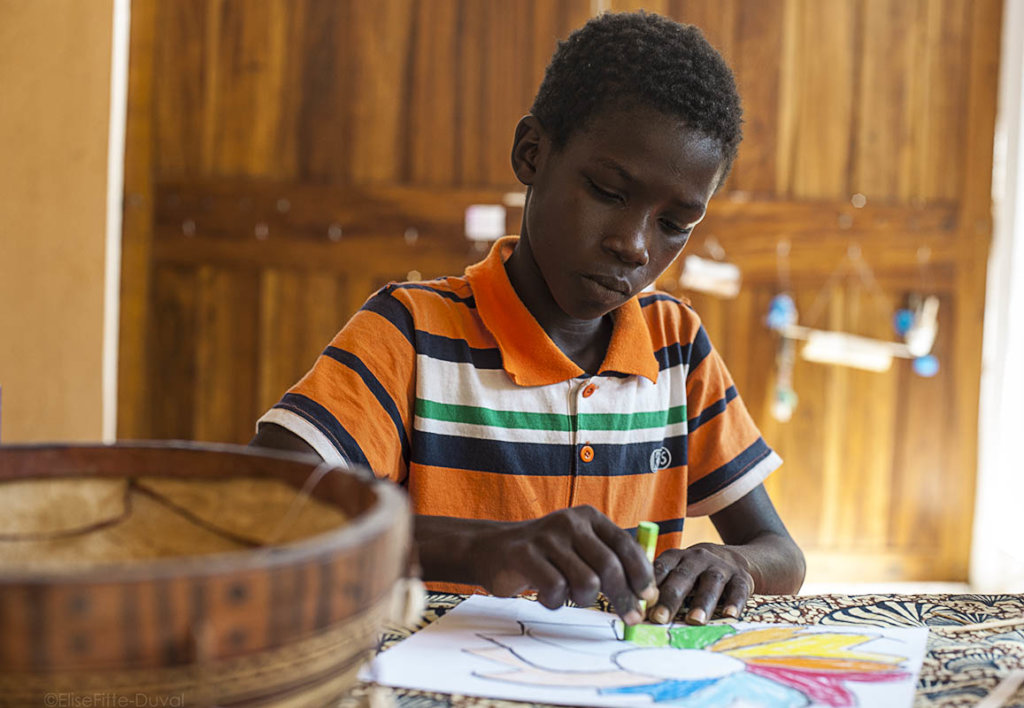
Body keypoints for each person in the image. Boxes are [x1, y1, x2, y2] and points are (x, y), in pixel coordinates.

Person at [252, 10, 805, 627]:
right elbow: (270, 502)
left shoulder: (677, 346)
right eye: (608, 191)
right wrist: (481, 549)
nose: (635, 245)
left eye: (675, 224)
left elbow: (781, 554)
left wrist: (731, 562)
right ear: (532, 153)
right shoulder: (411, 333)